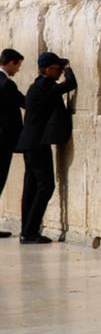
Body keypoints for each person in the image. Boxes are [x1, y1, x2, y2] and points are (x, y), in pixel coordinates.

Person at [14, 52, 77, 245]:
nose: (59, 73)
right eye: (57, 69)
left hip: (29, 143)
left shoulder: (36, 85)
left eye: (60, 70)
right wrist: (68, 68)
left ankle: (26, 231)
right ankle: (30, 231)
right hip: (36, 144)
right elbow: (70, 85)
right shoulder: (45, 86)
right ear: (48, 69)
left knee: (31, 187)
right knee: (46, 186)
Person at [0, 49, 26, 239]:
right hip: (3, 141)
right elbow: (25, 102)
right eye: (18, 66)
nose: (17, 70)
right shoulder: (6, 84)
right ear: (11, 63)